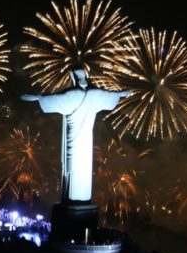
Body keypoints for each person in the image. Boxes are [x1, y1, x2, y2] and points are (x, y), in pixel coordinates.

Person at [21, 69, 130, 202]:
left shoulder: (74, 95)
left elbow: (51, 99)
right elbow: (110, 95)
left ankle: (74, 196)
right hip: (83, 139)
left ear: (74, 79)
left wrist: (38, 97)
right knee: (78, 165)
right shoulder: (93, 95)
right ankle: (79, 197)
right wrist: (121, 94)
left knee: (73, 165)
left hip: (79, 138)